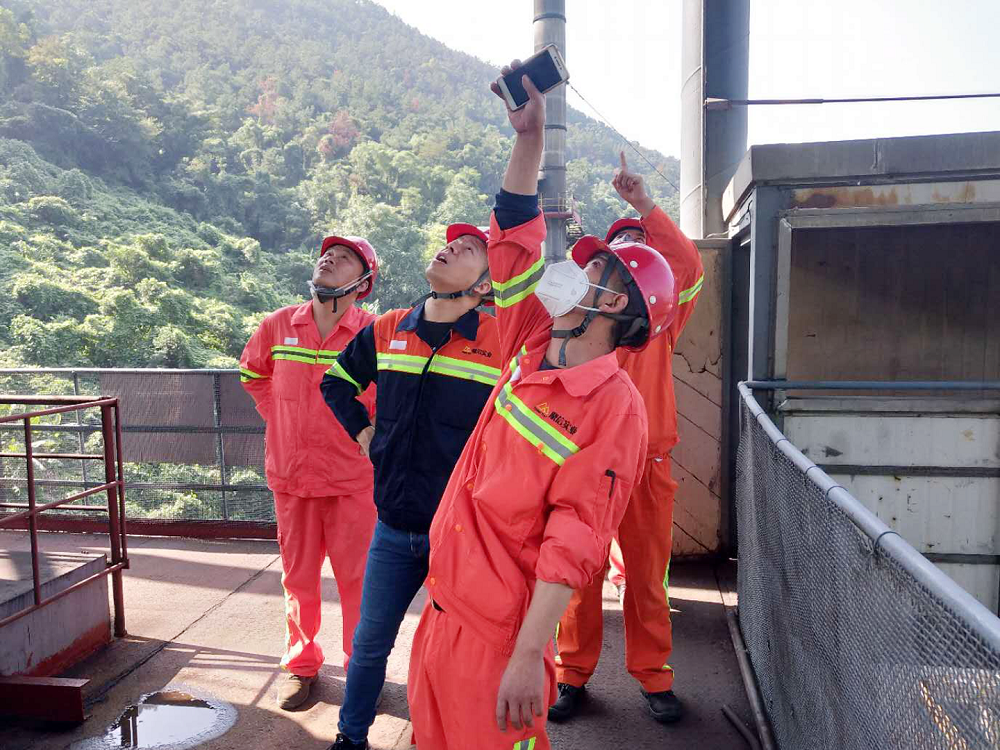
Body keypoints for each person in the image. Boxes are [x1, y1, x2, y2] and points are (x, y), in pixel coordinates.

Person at [405, 65, 679, 750]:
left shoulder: (614, 408)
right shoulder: (532, 340)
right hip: (443, 607)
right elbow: (512, 237)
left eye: (594, 272)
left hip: (499, 639)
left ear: (616, 307)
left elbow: (575, 538)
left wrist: (530, 654)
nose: (576, 274)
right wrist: (527, 139)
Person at [319, 222, 500, 750]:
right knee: (370, 643)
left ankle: (438, 739)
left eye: (469, 249)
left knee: (452, 651)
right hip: (394, 527)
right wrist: (363, 432)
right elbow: (336, 381)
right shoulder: (389, 328)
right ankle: (350, 738)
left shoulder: (500, 341)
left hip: (461, 534)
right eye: (451, 243)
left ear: (485, 285)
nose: (451, 247)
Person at [550, 153, 704, 725]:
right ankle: (571, 674)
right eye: (620, 248)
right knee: (577, 573)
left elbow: (687, 264)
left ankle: (653, 675)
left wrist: (642, 204)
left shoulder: (662, 320)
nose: (632, 251)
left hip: (647, 463)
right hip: (585, 464)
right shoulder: (579, 319)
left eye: (642, 244)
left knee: (645, 578)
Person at [239, 235, 380, 710]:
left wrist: (370, 433)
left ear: (362, 283)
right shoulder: (279, 325)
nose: (330, 258)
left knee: (357, 581)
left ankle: (360, 669)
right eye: (327, 254)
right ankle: (301, 666)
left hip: (352, 480)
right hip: (292, 477)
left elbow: (394, 393)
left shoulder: (373, 334)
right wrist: (276, 415)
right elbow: (252, 374)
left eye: (345, 257)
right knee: (298, 578)